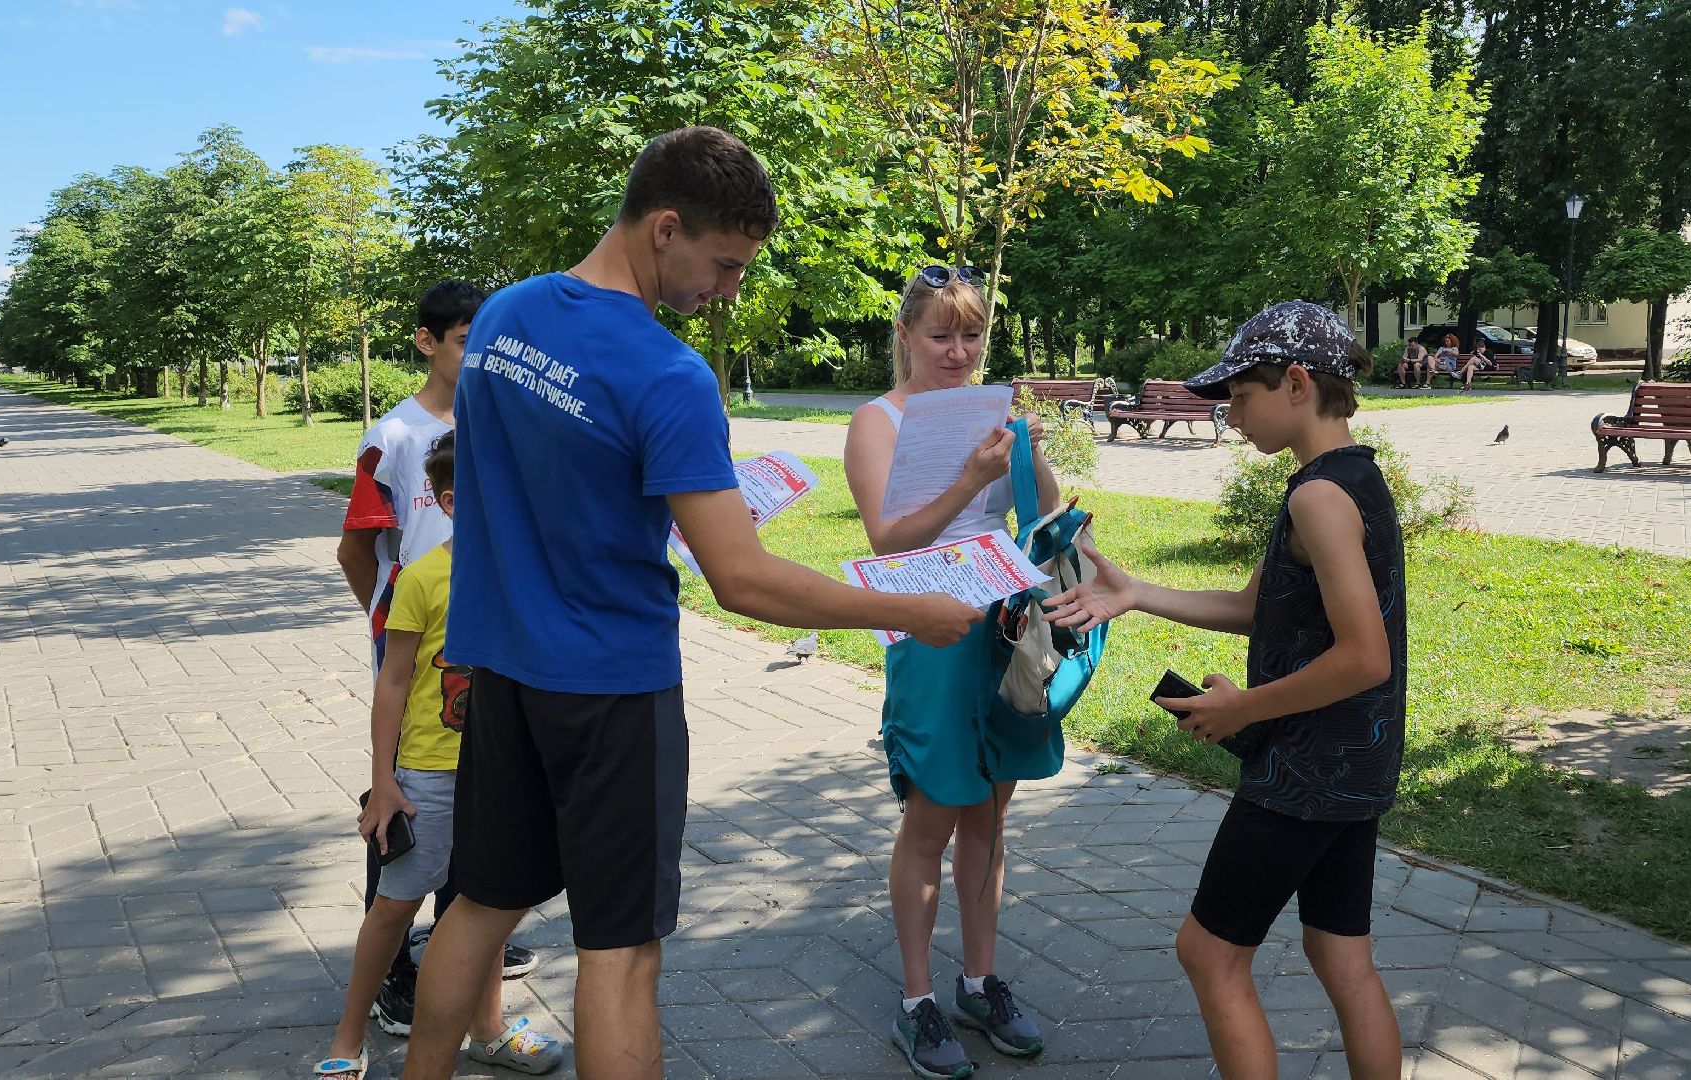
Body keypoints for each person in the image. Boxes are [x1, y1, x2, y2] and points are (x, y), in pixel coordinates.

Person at [400, 126, 981, 1080]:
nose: (730, 289)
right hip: (611, 689)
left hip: (498, 667)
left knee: (479, 904)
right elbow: (742, 579)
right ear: (665, 228)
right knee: (621, 949)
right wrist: (913, 612)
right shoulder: (668, 374)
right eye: (725, 263)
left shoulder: (504, 316)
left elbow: (532, 474)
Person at [1046, 301, 1406, 1080]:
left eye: (1242, 396)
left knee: (1209, 955)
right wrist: (1135, 593)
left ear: (1298, 384)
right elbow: (1255, 609)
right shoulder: (1352, 478)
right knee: (1340, 955)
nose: (1232, 416)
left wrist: (1241, 707)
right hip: (1357, 766)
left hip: (1303, 776)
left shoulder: (1316, 497)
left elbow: (1364, 657)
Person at [842, 265, 1061, 1079]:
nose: (959, 352)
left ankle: (978, 982)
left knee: (990, 819)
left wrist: (1031, 459)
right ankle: (916, 999)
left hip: (1003, 629)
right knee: (932, 818)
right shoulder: (878, 421)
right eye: (941, 335)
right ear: (905, 335)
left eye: (972, 336)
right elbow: (887, 540)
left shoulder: (996, 413)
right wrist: (970, 479)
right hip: (928, 630)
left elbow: (1042, 516)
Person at [317, 432, 564, 1080]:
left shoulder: (526, 572)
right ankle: (348, 1037)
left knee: (484, 903)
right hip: (430, 771)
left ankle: (489, 1030)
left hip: (504, 768)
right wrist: (385, 781)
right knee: (395, 906)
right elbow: (393, 681)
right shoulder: (423, 578)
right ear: (450, 502)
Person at [333, 282, 536, 1038]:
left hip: (489, 653)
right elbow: (356, 549)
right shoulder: (395, 436)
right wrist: (392, 628)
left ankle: (468, 946)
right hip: (418, 649)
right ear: (427, 341)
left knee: (481, 807)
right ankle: (392, 974)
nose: (478, 355)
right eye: (463, 339)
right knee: (403, 813)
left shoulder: (503, 422)